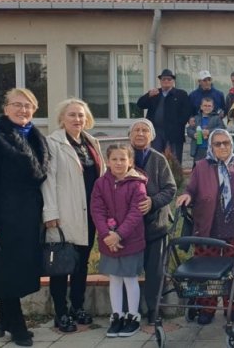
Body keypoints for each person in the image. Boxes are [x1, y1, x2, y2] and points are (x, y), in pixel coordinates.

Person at [0, 88, 49, 347]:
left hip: (29, 215)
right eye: (17, 105)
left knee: (19, 267)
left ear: (35, 109)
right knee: (9, 270)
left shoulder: (34, 136)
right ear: (5, 108)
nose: (23, 110)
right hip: (6, 216)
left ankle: (3, 319)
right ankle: (16, 324)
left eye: (28, 105)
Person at [42, 98, 105, 333]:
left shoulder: (92, 142)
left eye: (81, 115)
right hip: (64, 214)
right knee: (61, 264)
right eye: (72, 115)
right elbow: (48, 181)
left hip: (89, 214)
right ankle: (61, 313)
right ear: (62, 118)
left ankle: (77, 307)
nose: (77, 119)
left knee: (81, 262)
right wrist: (50, 213)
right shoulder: (52, 143)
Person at [176, 129, 234, 325]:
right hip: (209, 228)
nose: (223, 147)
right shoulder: (201, 166)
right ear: (211, 146)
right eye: (217, 144)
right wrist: (187, 196)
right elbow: (191, 189)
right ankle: (207, 308)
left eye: (226, 142)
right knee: (206, 272)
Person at [90, 143, 148, 338]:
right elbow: (96, 209)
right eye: (114, 159)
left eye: (123, 159)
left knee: (130, 278)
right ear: (107, 161)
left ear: (130, 161)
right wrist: (107, 234)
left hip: (130, 240)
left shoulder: (137, 184)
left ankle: (133, 316)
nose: (118, 163)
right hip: (109, 241)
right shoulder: (101, 183)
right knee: (114, 278)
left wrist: (119, 234)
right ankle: (117, 315)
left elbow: (135, 213)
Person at [129, 119, 177, 325]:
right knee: (128, 270)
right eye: (136, 130)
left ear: (152, 135)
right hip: (129, 226)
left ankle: (153, 309)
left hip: (156, 224)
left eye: (144, 130)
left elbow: (171, 189)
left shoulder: (158, 159)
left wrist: (153, 202)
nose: (140, 133)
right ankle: (128, 311)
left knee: (155, 271)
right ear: (130, 134)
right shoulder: (123, 157)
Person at [136, 69, 192, 163]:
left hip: (174, 133)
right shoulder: (155, 93)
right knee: (155, 157)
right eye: (164, 79)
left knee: (174, 160)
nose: (166, 81)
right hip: (156, 131)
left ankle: (175, 178)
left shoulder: (181, 94)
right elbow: (140, 104)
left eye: (169, 79)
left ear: (173, 81)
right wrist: (148, 95)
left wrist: (179, 125)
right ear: (160, 81)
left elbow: (186, 112)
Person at [188, 97, 225, 162]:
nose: (207, 107)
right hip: (198, 149)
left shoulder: (217, 118)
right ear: (201, 107)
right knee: (198, 169)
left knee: (212, 169)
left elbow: (222, 128)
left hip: (212, 148)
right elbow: (189, 129)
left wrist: (209, 132)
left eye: (209, 106)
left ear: (213, 107)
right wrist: (193, 134)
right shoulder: (196, 118)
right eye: (205, 105)